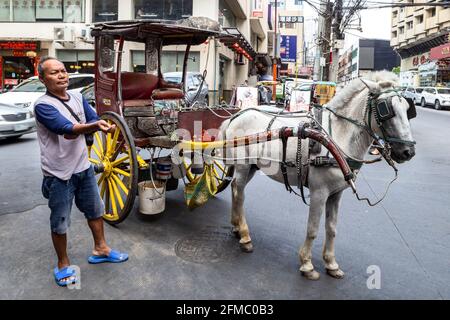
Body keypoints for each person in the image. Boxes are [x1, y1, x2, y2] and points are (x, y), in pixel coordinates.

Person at [34, 57, 128, 287]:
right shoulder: (43, 105)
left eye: (63, 70)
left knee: (95, 211)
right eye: (54, 72)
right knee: (60, 222)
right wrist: (95, 126)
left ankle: (101, 248)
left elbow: (92, 116)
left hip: (83, 168)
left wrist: (101, 123)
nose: (61, 75)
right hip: (58, 174)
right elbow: (66, 128)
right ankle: (63, 265)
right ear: (42, 79)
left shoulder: (77, 96)